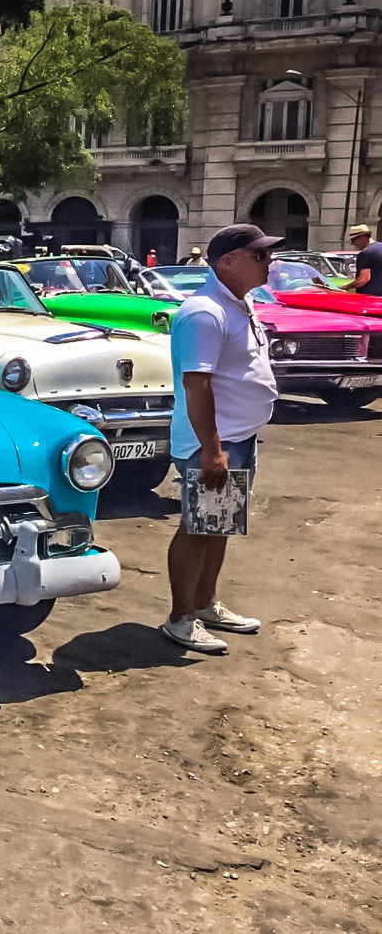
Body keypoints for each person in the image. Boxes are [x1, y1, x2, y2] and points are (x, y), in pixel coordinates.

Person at [160, 223, 280, 654]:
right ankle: (180, 618)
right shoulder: (205, 313)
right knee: (199, 527)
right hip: (214, 441)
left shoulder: (239, 303)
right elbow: (198, 385)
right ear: (228, 261)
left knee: (219, 525)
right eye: (260, 255)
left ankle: (205, 603)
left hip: (237, 436)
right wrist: (212, 450)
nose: (269, 262)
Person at [349, 224, 382, 295]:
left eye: (353, 240)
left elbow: (363, 279)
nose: (352, 243)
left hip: (368, 298)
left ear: (362, 237)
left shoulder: (365, 253)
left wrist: (346, 287)